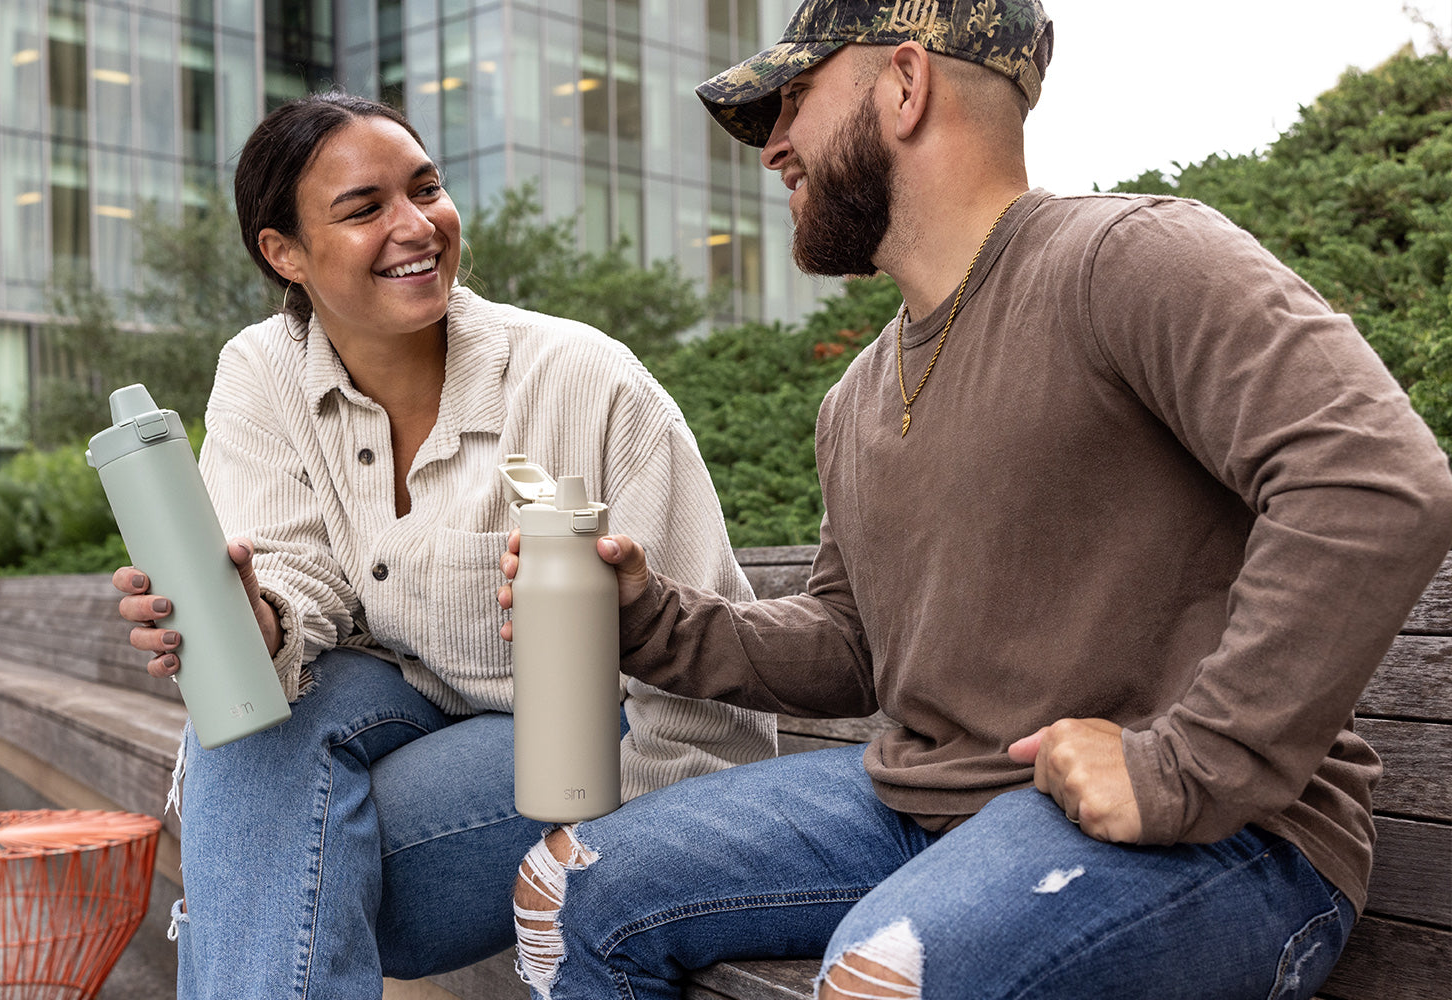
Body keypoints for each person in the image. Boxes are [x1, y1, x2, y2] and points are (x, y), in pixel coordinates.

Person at [497, 2, 1452, 998]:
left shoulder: (1125, 257)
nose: (774, 143)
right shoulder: (855, 396)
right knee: (568, 893)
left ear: (905, 85)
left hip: (1229, 841)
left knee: (886, 976)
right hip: (932, 802)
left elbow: (1377, 480)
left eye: (796, 98)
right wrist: (649, 621)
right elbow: (851, 643)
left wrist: (1192, 763)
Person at [111, 91, 776, 998]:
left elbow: (706, 677)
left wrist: (646, 866)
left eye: (425, 189)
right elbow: (299, 582)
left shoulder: (581, 380)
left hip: (586, 752)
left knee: (277, 861)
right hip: (399, 720)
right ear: (284, 253)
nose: (416, 225)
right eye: (364, 208)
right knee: (263, 739)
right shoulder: (261, 371)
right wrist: (255, 622)